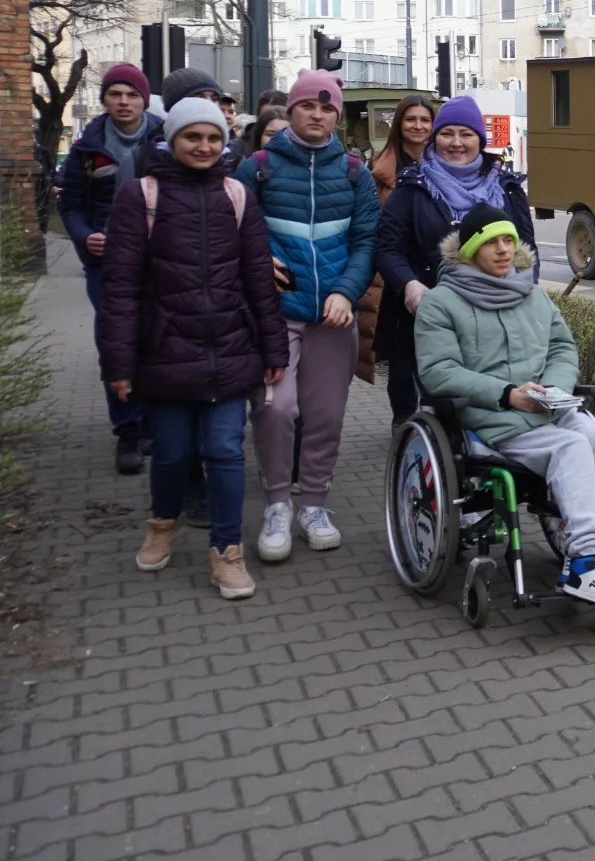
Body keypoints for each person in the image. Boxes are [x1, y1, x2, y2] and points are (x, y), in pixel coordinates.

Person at [413, 204, 595, 607]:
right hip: (492, 420)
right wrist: (507, 394)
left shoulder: (534, 295)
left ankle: (575, 527)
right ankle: (586, 562)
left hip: (545, 411)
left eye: (509, 240)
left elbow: (561, 347)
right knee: (572, 446)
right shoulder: (441, 303)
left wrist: (551, 390)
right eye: (491, 242)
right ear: (469, 250)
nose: (504, 250)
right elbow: (437, 371)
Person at [99, 97, 287, 599]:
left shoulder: (238, 194)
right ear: (173, 140)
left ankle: (227, 552)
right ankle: (163, 521)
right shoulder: (142, 196)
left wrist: (274, 351)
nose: (204, 146)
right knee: (173, 454)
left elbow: (257, 279)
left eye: (212, 138)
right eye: (192, 137)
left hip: (230, 346)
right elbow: (120, 288)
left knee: (225, 450)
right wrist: (117, 362)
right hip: (163, 352)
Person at [236, 68, 380, 561]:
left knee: (324, 418)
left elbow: (366, 243)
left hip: (333, 320)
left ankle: (313, 504)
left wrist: (346, 291)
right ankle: (277, 504)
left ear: (336, 116)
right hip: (275, 316)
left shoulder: (354, 174)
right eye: (307, 106)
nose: (317, 115)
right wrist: (258, 260)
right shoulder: (257, 168)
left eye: (326, 108)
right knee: (276, 410)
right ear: (290, 111)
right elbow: (233, 233)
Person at [375, 94, 533, 423]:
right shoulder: (413, 188)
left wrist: (521, 288)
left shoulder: (506, 188)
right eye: (448, 134)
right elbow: (387, 248)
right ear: (436, 137)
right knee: (437, 403)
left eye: (466, 134)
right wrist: (409, 284)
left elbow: (527, 251)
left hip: (494, 314)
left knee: (487, 401)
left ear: (480, 139)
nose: (456, 143)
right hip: (428, 314)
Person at [59, 62, 165, 474]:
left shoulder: (163, 138)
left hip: (158, 258)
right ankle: (128, 430)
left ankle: (157, 422)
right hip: (106, 262)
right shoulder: (88, 146)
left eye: (132, 94)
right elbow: (70, 206)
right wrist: (86, 236)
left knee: (156, 339)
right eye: (115, 94)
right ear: (104, 99)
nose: (124, 102)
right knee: (116, 340)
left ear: (144, 99)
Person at [359, 95, 436, 392]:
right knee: (401, 356)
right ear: (399, 123)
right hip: (395, 272)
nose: (417, 126)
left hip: (433, 266)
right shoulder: (378, 169)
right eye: (411, 119)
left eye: (424, 120)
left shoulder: (445, 165)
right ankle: (402, 420)